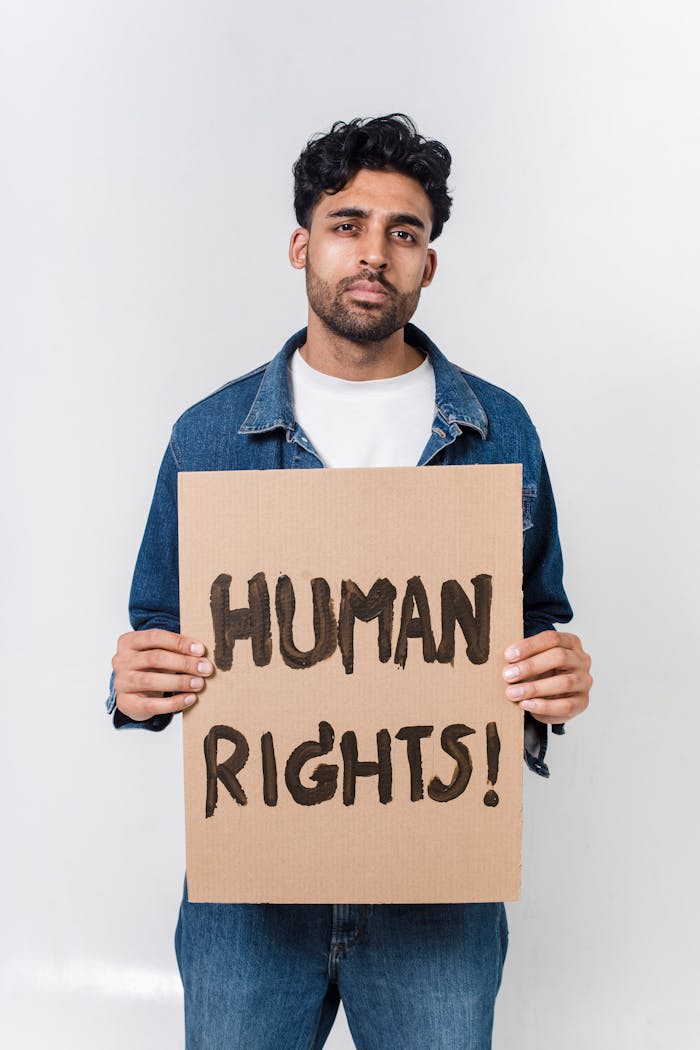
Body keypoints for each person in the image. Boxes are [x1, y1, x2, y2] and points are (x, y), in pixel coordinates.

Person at [109, 114, 592, 1050]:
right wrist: (134, 688)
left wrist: (558, 681)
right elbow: (157, 630)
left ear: (428, 265)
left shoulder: (502, 432)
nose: (374, 253)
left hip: (436, 900)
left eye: (403, 233)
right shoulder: (207, 438)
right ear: (303, 245)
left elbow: (537, 622)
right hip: (251, 903)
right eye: (348, 224)